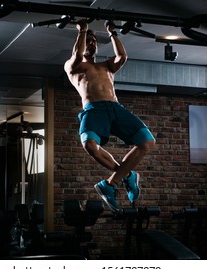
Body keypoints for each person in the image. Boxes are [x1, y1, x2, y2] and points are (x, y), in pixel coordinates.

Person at [64, 19, 156, 212]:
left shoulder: (106, 66)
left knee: (147, 142)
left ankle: (111, 183)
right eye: (88, 41)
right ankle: (127, 175)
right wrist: (83, 31)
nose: (91, 44)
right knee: (89, 144)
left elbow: (122, 56)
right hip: (94, 109)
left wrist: (112, 32)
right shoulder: (73, 66)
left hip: (115, 108)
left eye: (94, 41)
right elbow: (77, 54)